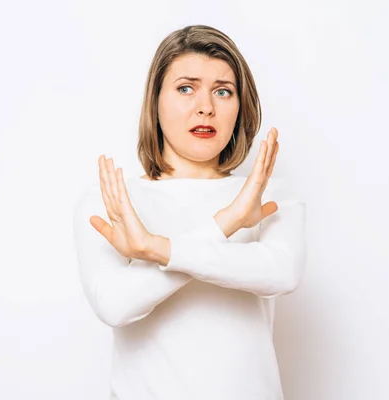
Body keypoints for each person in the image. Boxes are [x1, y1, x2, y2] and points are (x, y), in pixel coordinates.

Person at [72, 24, 307, 400]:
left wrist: (156, 249)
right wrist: (226, 222)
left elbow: (281, 273)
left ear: (240, 106)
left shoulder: (266, 193)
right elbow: (115, 305)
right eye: (186, 88)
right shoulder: (115, 198)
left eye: (223, 91)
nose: (205, 106)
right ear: (156, 102)